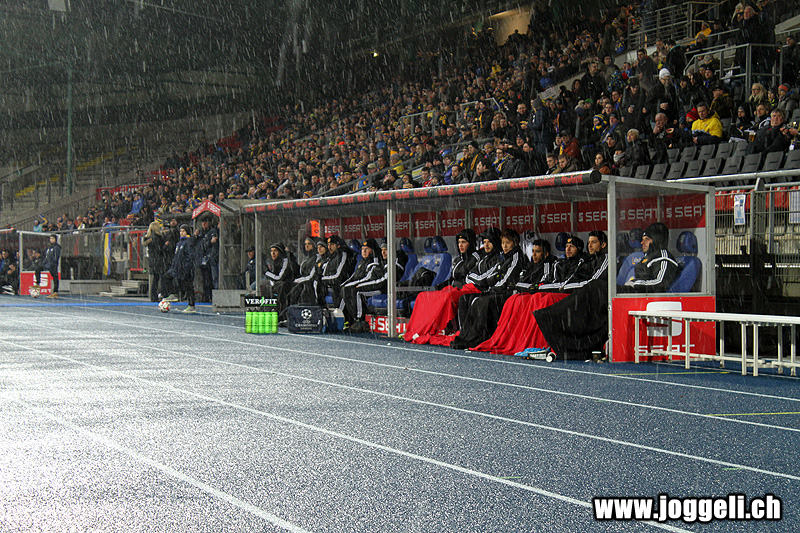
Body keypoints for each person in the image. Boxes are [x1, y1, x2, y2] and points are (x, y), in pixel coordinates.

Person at [474, 232, 608, 355]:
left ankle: (539, 342)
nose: (590, 245)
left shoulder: (590, 260)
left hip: (582, 297)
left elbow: (589, 283)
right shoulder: (565, 263)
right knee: (515, 299)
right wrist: (537, 288)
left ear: (603, 244)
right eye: (589, 242)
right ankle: (517, 341)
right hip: (562, 291)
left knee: (540, 298)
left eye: (594, 242)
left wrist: (541, 288)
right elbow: (551, 283)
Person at [450, 228, 526, 350]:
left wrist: (492, 286)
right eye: (503, 243)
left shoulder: (516, 257)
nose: (505, 246)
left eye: (508, 243)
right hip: (496, 290)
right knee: (467, 299)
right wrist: (492, 283)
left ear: (515, 243)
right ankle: (465, 335)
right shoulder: (503, 257)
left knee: (482, 301)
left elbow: (506, 279)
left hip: (508, 293)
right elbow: (490, 277)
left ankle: (477, 337)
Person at [405, 229, 482, 344]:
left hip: (466, 289)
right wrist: (440, 286)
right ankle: (419, 329)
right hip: (453, 288)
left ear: (470, 243)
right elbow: (452, 278)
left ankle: (436, 328)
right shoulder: (458, 259)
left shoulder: (476, 258)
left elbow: (468, 277)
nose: (460, 245)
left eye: (464, 242)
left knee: (447, 296)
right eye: (459, 242)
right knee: (422, 296)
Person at [347, 238, 408, 333]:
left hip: (386, 289)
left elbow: (384, 281)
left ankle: (360, 321)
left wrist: (364, 286)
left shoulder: (394, 262)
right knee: (353, 290)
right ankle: (354, 319)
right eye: (382, 250)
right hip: (382, 287)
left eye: (386, 250)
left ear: (392, 250)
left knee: (358, 291)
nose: (383, 253)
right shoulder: (384, 261)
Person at [619, 222, 680, 292]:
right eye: (642, 239)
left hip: (653, 298)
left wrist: (635, 284)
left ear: (656, 240)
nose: (642, 242)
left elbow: (660, 283)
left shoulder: (664, 258)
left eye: (647, 239)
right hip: (641, 296)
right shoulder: (649, 257)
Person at [341, 238, 382, 328]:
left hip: (375, 287)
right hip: (363, 285)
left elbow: (368, 278)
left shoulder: (374, 262)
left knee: (355, 291)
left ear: (372, 250)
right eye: (363, 249)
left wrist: (353, 285)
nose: (364, 251)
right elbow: (354, 276)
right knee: (344, 289)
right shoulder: (361, 262)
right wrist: (345, 284)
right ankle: (346, 317)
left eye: (366, 249)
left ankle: (359, 319)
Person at [163, 224, 196, 313]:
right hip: (177, 268)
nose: (181, 233)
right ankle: (174, 294)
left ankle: (191, 305)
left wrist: (186, 268)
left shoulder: (188, 242)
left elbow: (190, 256)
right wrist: (173, 266)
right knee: (167, 277)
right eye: (181, 231)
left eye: (183, 231)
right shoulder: (179, 243)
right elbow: (176, 256)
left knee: (188, 287)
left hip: (185, 269)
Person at [263, 242, 298, 319]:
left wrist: (267, 273)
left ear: (280, 252)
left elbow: (280, 277)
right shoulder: (275, 262)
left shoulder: (285, 261)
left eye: (275, 251)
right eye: (271, 251)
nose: (273, 253)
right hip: (281, 285)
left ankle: (282, 314)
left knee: (281, 286)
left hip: (289, 286)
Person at [320, 235, 356, 308]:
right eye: (328, 245)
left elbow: (339, 276)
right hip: (332, 282)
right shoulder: (330, 256)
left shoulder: (342, 254)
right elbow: (324, 273)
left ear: (338, 245)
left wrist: (323, 280)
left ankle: (339, 312)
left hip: (341, 283)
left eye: (332, 245)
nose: (329, 247)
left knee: (337, 290)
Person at [287, 237, 322, 307]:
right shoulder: (306, 259)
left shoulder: (317, 258)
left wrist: (299, 280)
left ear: (314, 245)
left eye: (309, 244)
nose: (307, 246)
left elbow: (312, 275)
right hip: (303, 281)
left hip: (311, 282)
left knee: (302, 291)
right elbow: (300, 272)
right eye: (305, 244)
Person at [142, 221, 167, 302]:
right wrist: (165, 245)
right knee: (162, 277)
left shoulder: (148, 237)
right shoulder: (157, 237)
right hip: (158, 260)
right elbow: (159, 249)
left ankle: (153, 296)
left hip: (152, 260)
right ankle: (163, 294)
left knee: (155, 279)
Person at [34, 235, 61, 299]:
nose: (51, 240)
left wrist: (52, 264)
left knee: (55, 277)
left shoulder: (56, 247)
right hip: (47, 264)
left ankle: (55, 292)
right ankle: (37, 283)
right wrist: (44, 263)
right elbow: (47, 256)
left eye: (53, 238)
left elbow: (56, 257)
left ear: (55, 239)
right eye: (50, 238)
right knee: (38, 268)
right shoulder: (49, 247)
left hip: (53, 265)